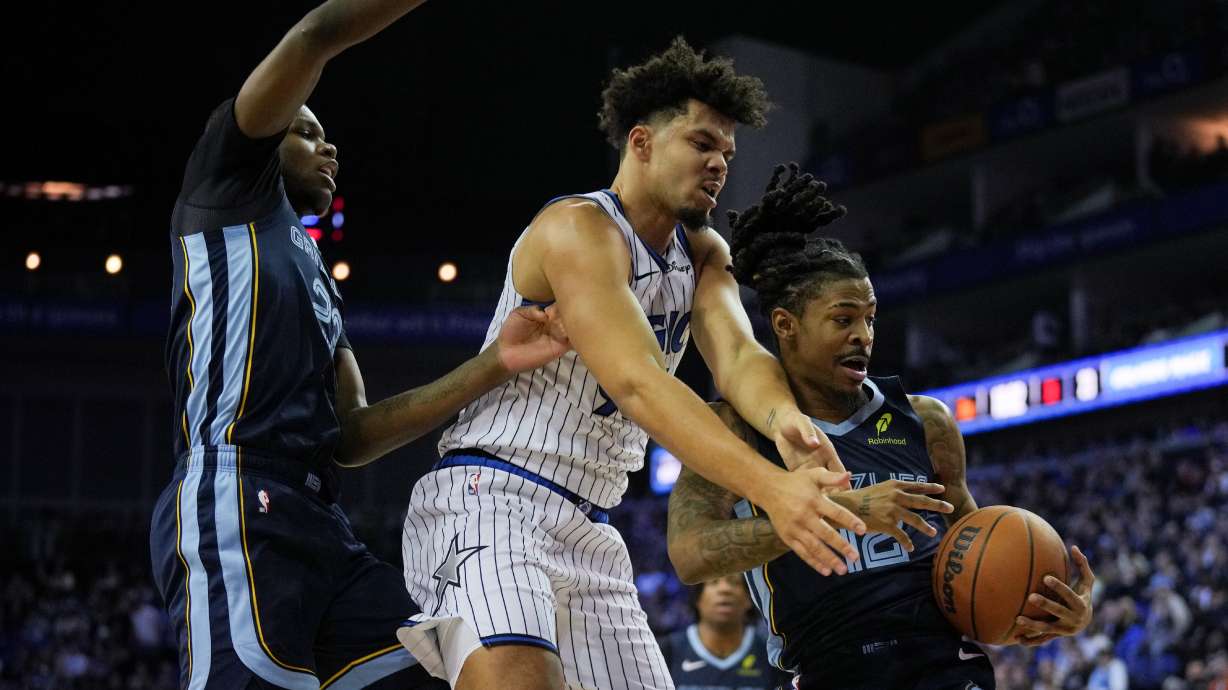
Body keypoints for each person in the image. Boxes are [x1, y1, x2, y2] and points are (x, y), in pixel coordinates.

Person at [397, 38, 866, 690]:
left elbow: (736, 355)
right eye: (701, 145)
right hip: (488, 499)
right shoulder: (578, 229)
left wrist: (785, 419)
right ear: (641, 143)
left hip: (589, 527)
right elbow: (638, 382)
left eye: (726, 153)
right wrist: (770, 488)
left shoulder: (703, 252)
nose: (719, 165)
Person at [149, 1, 570, 687]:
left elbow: (352, 434)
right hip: (237, 492)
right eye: (307, 131)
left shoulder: (313, 273)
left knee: (454, 664)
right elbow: (317, 34)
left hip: (324, 522)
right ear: (262, 135)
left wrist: (493, 364)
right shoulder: (224, 186)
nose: (329, 147)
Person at [665, 164, 1097, 690]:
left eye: (870, 318)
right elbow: (689, 554)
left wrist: (1047, 610)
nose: (863, 336)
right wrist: (823, 515)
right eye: (843, 319)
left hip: (942, 667)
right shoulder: (735, 428)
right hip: (829, 668)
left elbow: (976, 554)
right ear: (786, 326)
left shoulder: (926, 421)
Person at [659, 575, 793, 690]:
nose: (725, 589)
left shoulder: (773, 654)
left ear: (749, 599)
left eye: (734, 582)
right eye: (713, 582)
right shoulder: (666, 651)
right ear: (697, 599)